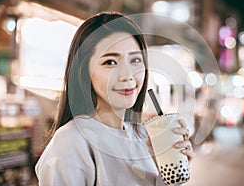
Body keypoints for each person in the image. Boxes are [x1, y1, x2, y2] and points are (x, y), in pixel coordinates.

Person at [35, 11, 195, 185]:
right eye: (110, 62)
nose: (127, 75)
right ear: (84, 72)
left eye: (135, 60)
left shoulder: (142, 138)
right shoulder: (72, 142)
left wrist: (167, 176)